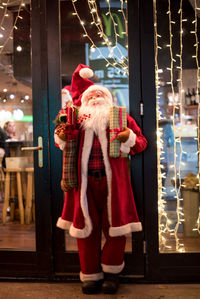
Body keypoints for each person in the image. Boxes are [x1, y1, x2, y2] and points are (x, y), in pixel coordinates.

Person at [54, 64, 147, 294]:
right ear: (85, 100)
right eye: (91, 95)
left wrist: (129, 137)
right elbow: (61, 139)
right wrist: (62, 135)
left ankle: (112, 273)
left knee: (115, 229)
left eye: (100, 94)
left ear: (108, 99)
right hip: (83, 185)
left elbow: (141, 143)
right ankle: (90, 275)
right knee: (86, 229)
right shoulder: (74, 117)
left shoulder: (120, 117)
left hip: (114, 184)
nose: (95, 97)